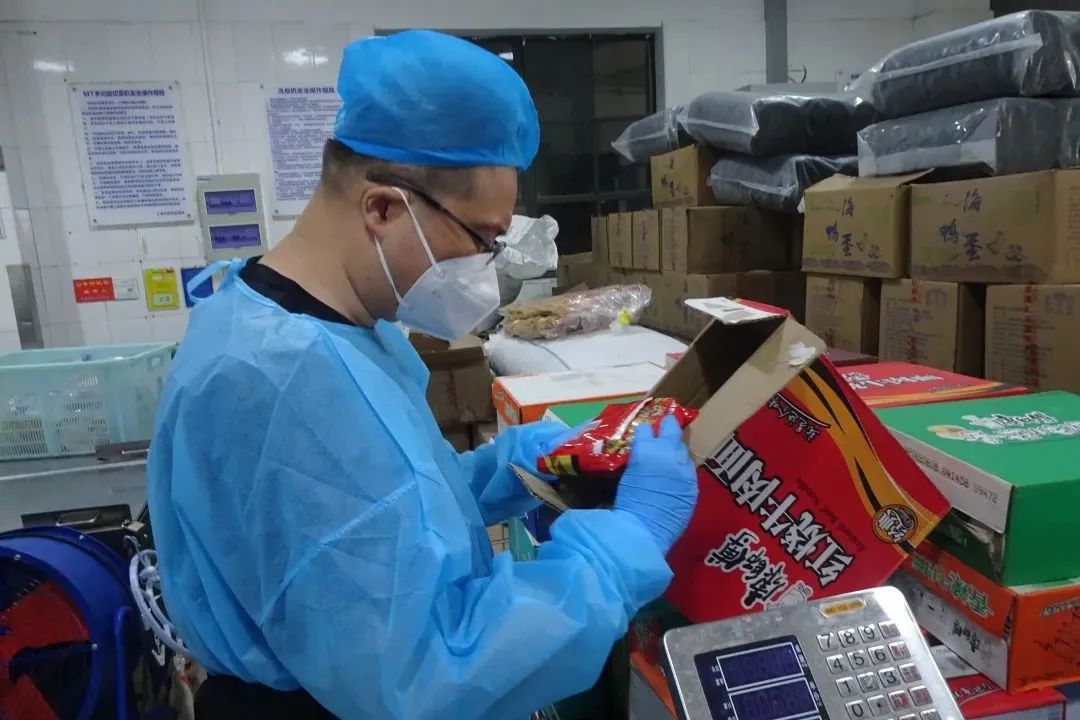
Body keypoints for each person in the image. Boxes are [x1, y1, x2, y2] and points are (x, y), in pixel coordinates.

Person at [147, 30, 699, 720]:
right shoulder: (285, 377)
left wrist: (510, 468)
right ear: (382, 208)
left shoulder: (325, 325)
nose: (488, 268)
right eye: (481, 240)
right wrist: (624, 547)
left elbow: (375, 516)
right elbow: (429, 675)